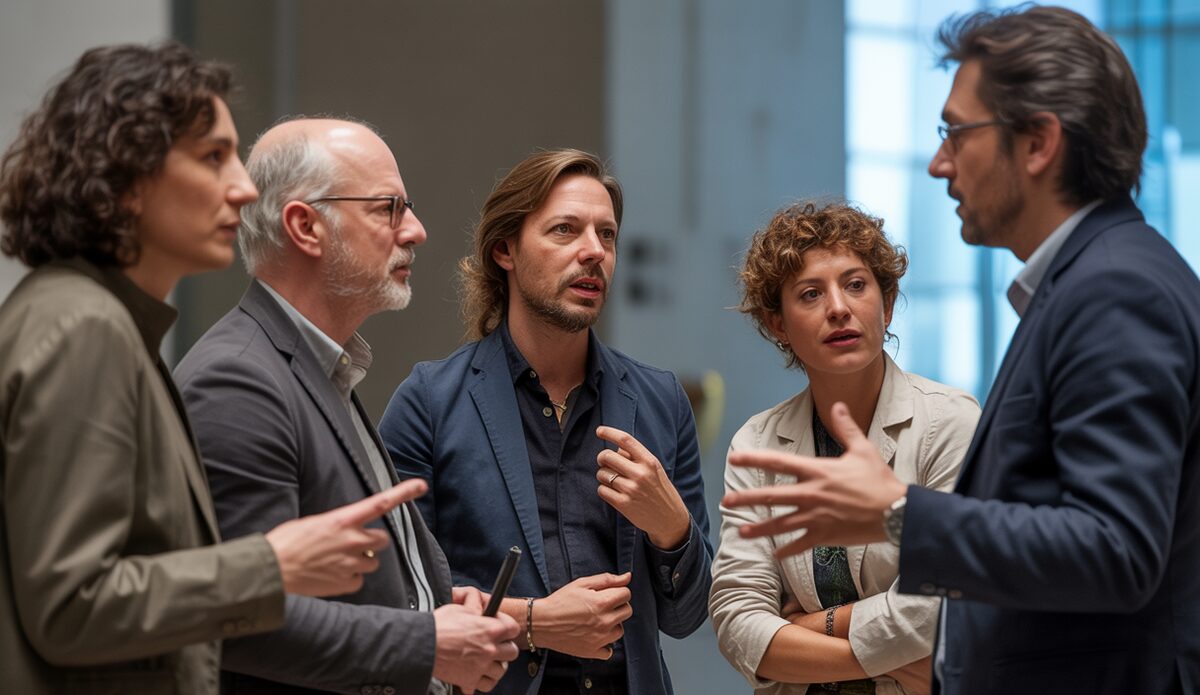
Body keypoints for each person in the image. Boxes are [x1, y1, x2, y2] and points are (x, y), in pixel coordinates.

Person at [722, 6, 1200, 694]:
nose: (938, 162)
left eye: (955, 132)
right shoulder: (1090, 280)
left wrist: (898, 513)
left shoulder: (1114, 288)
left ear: (1037, 143)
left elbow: (1115, 549)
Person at [0, 43, 425, 694]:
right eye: (212, 157)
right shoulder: (84, 327)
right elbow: (71, 605)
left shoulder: (103, 322)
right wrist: (270, 565)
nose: (244, 188)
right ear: (126, 175)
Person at [174, 117, 520, 695]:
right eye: (389, 209)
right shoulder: (237, 381)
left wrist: (431, 605)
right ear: (305, 227)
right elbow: (241, 620)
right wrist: (424, 643)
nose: (416, 231)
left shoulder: (320, 367)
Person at [379, 148, 712, 695]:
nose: (594, 251)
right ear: (505, 250)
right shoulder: (429, 402)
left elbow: (687, 617)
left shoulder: (660, 400)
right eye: (565, 230)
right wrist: (534, 622)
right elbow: (396, 597)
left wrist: (672, 527)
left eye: (607, 235)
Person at [709, 201, 979, 695]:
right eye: (810, 294)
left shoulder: (950, 422)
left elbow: (943, 602)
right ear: (778, 325)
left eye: (856, 285)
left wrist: (812, 626)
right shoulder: (758, 440)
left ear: (887, 304)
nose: (838, 308)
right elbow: (736, 619)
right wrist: (889, 662)